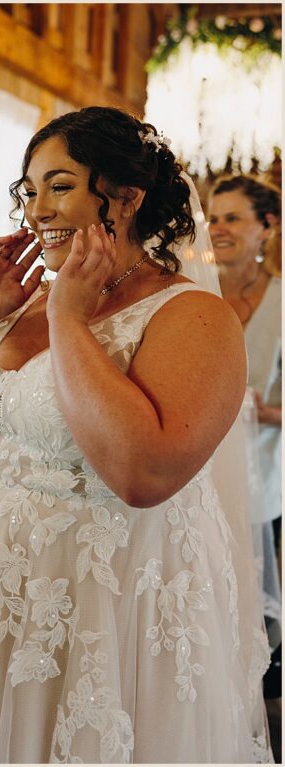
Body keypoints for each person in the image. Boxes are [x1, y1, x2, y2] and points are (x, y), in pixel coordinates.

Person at [0, 107, 272, 763]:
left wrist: (69, 319)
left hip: (103, 597)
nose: (36, 209)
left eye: (58, 185)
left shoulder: (193, 315)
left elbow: (144, 474)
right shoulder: (22, 297)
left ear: (125, 194)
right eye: (28, 190)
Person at [208, 175, 282, 701]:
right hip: (193, 476)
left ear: (268, 227)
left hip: (264, 485)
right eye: (213, 217)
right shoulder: (192, 295)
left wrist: (266, 410)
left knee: (252, 603)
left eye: (233, 218)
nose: (218, 229)